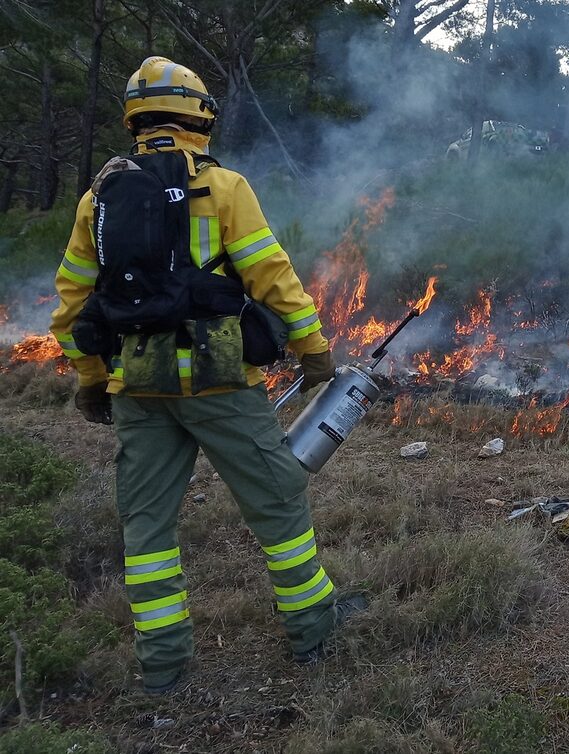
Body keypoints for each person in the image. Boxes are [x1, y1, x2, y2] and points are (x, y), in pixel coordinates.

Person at [48, 57, 364, 695]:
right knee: (277, 501)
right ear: (198, 115)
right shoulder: (221, 187)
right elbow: (271, 275)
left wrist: (89, 379)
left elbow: (72, 304)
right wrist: (313, 351)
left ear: (135, 119)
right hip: (219, 381)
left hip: (138, 387)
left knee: (147, 525)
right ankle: (313, 631)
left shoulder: (99, 197)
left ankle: (162, 665)